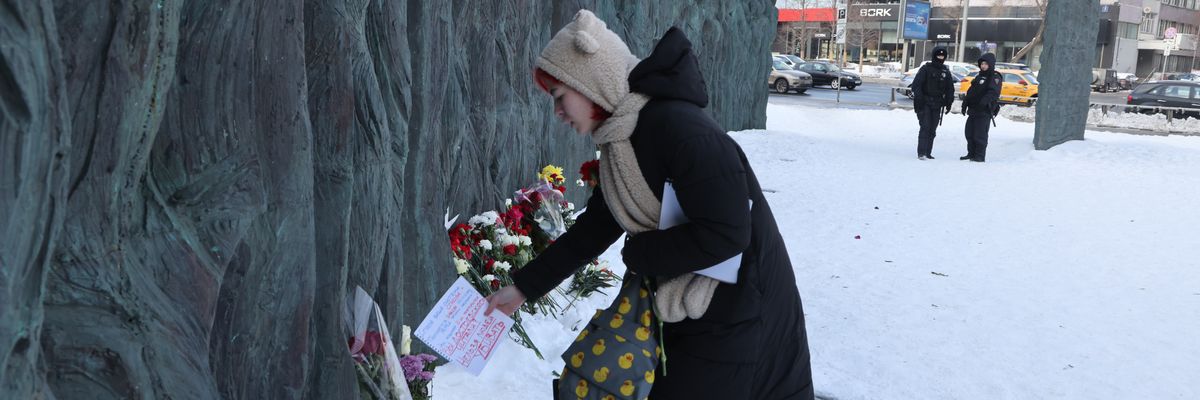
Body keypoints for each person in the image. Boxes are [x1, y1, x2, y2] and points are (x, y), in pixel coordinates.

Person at [483, 10, 815, 400]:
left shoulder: (679, 131)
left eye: (560, 97)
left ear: (592, 83)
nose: (557, 113)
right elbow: (598, 225)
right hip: (690, 306)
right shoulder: (625, 141)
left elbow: (728, 233)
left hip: (738, 310)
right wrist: (523, 288)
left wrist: (642, 253)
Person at [910, 47, 956, 160]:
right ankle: (921, 153)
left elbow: (950, 88)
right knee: (925, 127)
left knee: (932, 129)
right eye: (938, 56)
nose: (940, 58)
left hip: (937, 104)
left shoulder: (945, 71)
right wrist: (920, 98)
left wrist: (949, 102)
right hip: (925, 102)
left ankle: (928, 152)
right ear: (934, 56)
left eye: (942, 56)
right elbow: (916, 85)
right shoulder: (926, 68)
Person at [960, 53, 1002, 162]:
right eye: (982, 63)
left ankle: (979, 156)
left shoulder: (995, 77)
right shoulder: (979, 76)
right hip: (973, 110)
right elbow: (971, 91)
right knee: (969, 132)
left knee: (980, 135)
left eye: (986, 64)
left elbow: (994, 93)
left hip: (984, 111)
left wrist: (983, 102)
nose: (983, 66)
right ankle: (971, 153)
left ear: (990, 64)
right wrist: (965, 103)